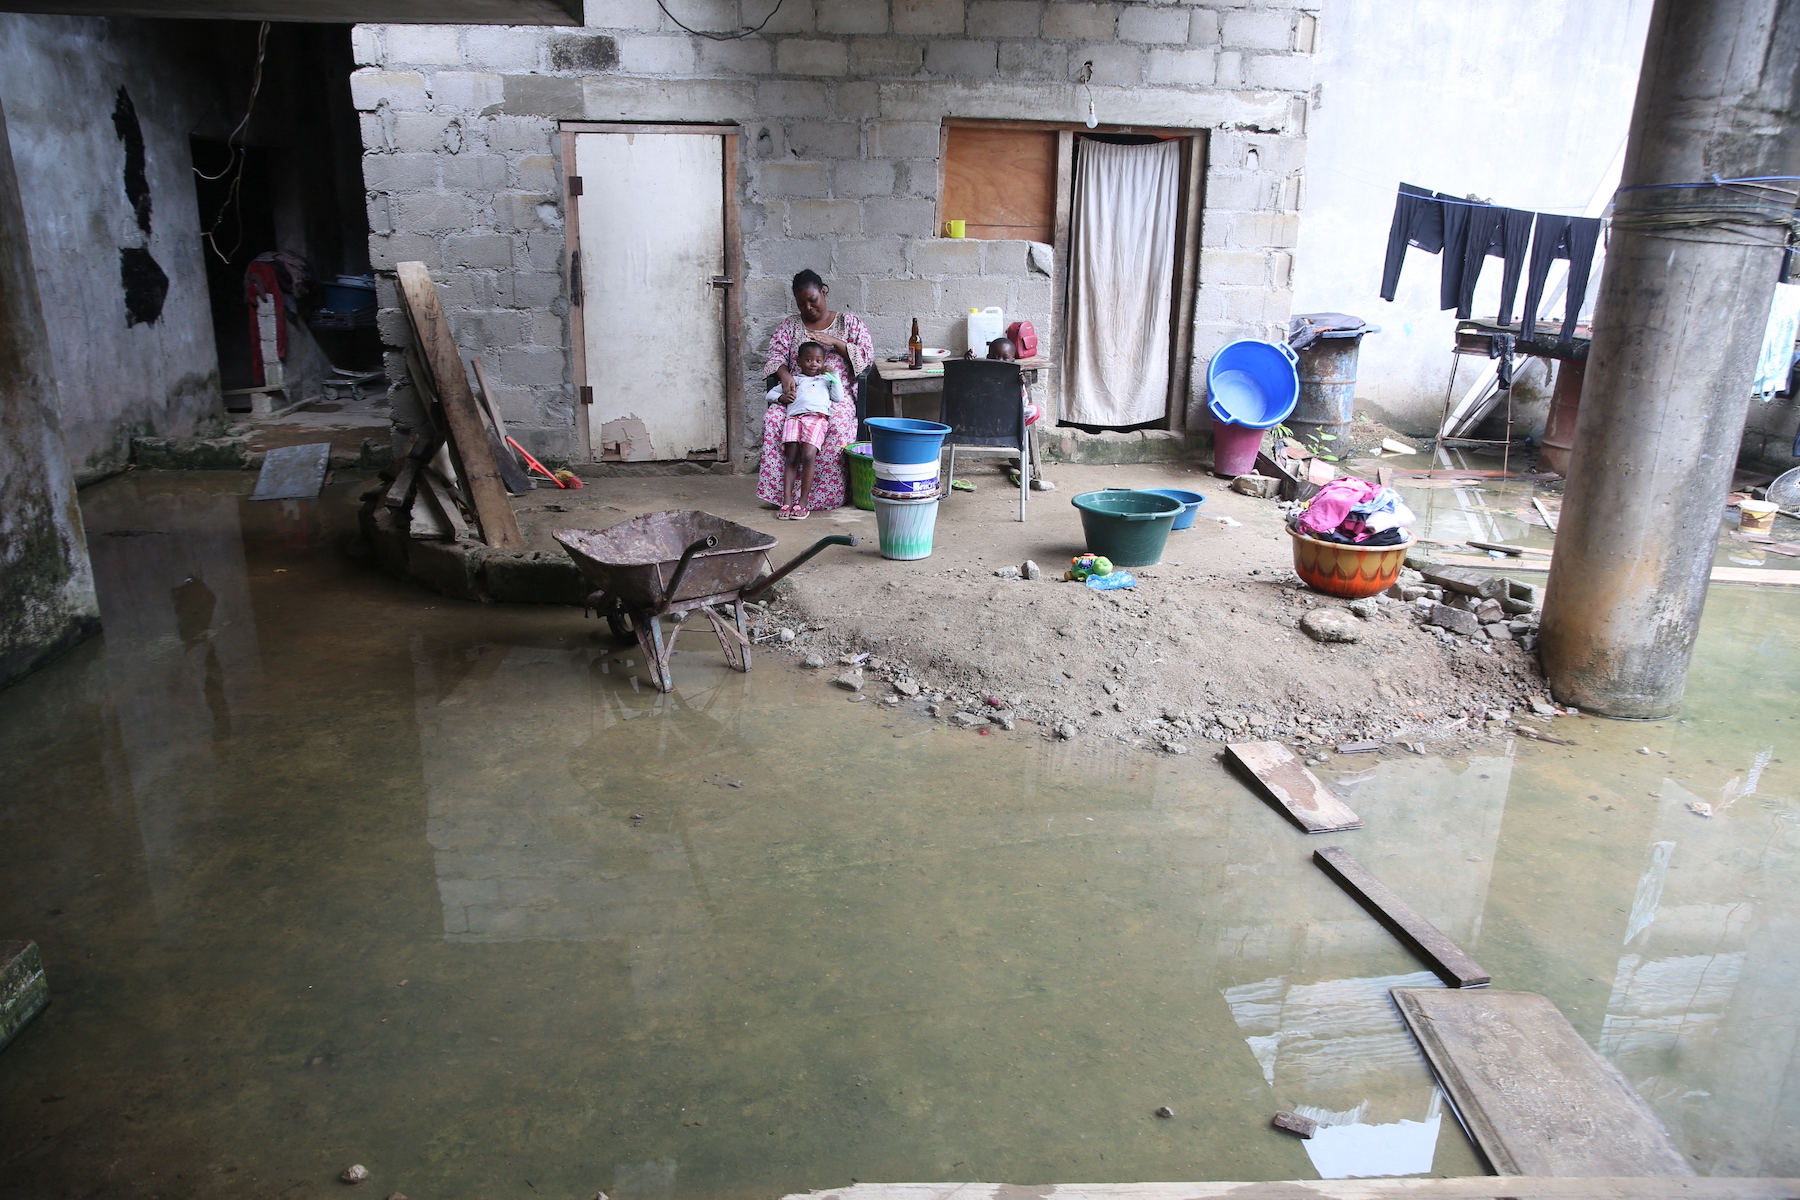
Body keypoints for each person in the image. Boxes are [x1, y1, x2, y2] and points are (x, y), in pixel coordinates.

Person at [758, 270, 874, 513]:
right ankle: (784, 497)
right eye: (801, 303)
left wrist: (836, 343)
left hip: (833, 397)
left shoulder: (848, 323)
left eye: (812, 300)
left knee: (840, 424)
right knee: (773, 419)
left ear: (823, 292)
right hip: (797, 396)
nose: (808, 307)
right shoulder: (790, 326)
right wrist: (785, 375)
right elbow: (775, 356)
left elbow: (865, 359)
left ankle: (825, 497)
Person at [766, 341, 844, 520]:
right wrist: (782, 397)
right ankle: (786, 501)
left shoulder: (826, 380)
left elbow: (838, 397)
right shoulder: (795, 380)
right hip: (793, 419)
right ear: (799, 362)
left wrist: (834, 375)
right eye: (808, 360)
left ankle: (802, 503)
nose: (814, 364)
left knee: (809, 456)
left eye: (818, 360)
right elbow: (769, 394)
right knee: (791, 457)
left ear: (823, 362)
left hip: (816, 419)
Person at [963, 335, 1044, 486]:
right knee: (1032, 411)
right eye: (994, 356)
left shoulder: (1015, 379)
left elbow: (1023, 405)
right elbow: (966, 389)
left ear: (1013, 361)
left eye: (1005, 358)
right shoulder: (979, 373)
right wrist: (968, 365)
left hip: (1005, 420)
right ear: (987, 358)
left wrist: (1021, 386)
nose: (999, 361)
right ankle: (1018, 426)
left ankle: (1017, 425)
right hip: (981, 419)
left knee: (1034, 409)